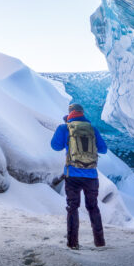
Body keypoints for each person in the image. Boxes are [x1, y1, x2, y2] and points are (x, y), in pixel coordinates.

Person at [50, 102, 107, 249]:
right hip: (91, 176)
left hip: (73, 175)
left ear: (70, 113)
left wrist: (65, 128)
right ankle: (100, 242)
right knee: (93, 208)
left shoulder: (65, 128)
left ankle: (73, 243)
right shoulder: (92, 128)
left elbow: (55, 146)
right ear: (82, 113)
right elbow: (103, 149)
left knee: (72, 207)